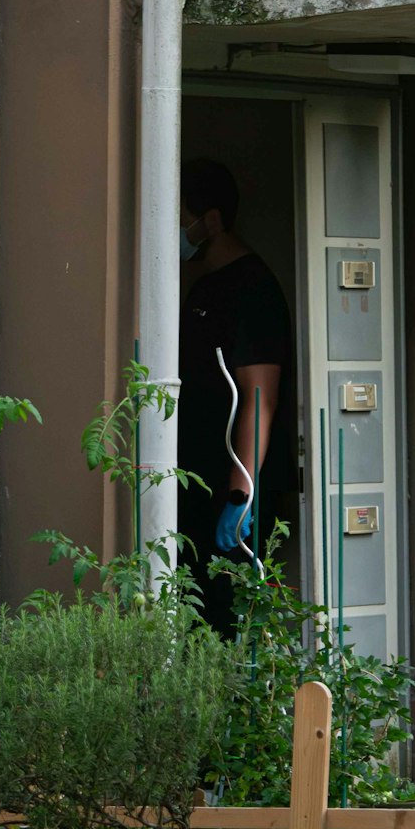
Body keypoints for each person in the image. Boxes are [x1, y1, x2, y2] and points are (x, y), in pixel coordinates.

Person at [178, 158, 295, 634]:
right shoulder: (206, 287)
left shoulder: (252, 290)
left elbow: (260, 397)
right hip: (198, 478)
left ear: (212, 220)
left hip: (231, 490)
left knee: (228, 616)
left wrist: (240, 494)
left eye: (182, 216)